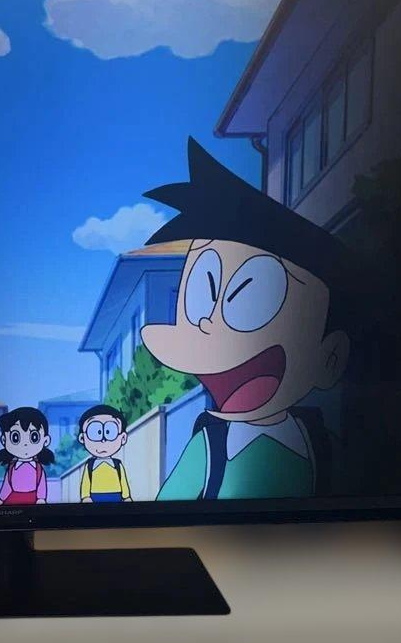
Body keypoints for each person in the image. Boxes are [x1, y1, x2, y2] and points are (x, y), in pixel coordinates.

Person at [143, 138, 354, 501]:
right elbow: (163, 514)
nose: (209, 324)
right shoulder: (208, 449)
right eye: (203, 292)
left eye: (248, 295)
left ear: (329, 357)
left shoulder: (322, 444)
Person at [0, 407, 54, 505]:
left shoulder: (38, 469)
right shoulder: (12, 468)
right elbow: (6, 486)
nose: (25, 444)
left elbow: (41, 486)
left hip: (33, 500)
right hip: (12, 501)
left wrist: (41, 499)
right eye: (15, 437)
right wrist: (0, 500)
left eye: (34, 437)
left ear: (45, 441)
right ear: (4, 440)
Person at [77, 404, 132, 503]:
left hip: (116, 497)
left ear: (123, 438)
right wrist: (86, 497)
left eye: (109, 432)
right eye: (95, 432)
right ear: (82, 438)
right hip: (95, 497)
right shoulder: (90, 466)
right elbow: (86, 483)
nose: (103, 440)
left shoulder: (117, 465)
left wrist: (127, 497)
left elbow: (123, 483)